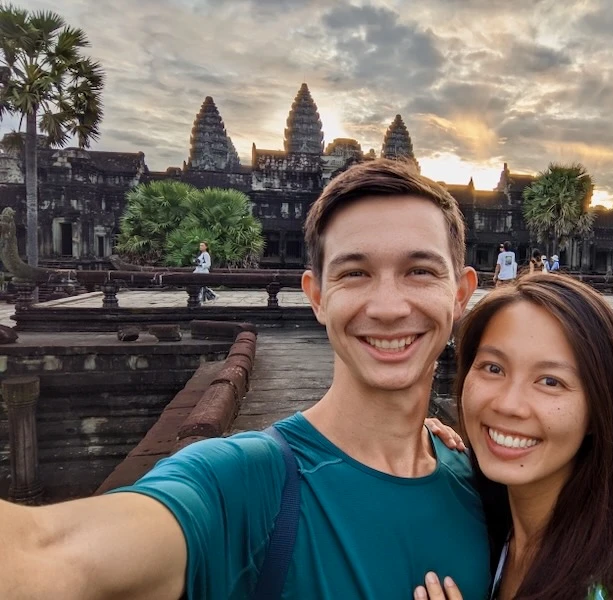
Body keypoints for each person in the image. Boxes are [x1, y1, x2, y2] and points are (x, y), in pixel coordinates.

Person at [0, 159, 491, 600]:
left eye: (420, 271)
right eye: (355, 273)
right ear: (316, 295)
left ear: (460, 294)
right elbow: (49, 552)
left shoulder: (480, 479)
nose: (387, 307)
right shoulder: (242, 482)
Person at [415, 274, 613, 600]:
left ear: (598, 411)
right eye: (493, 368)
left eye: (550, 381)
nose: (509, 405)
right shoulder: (491, 520)